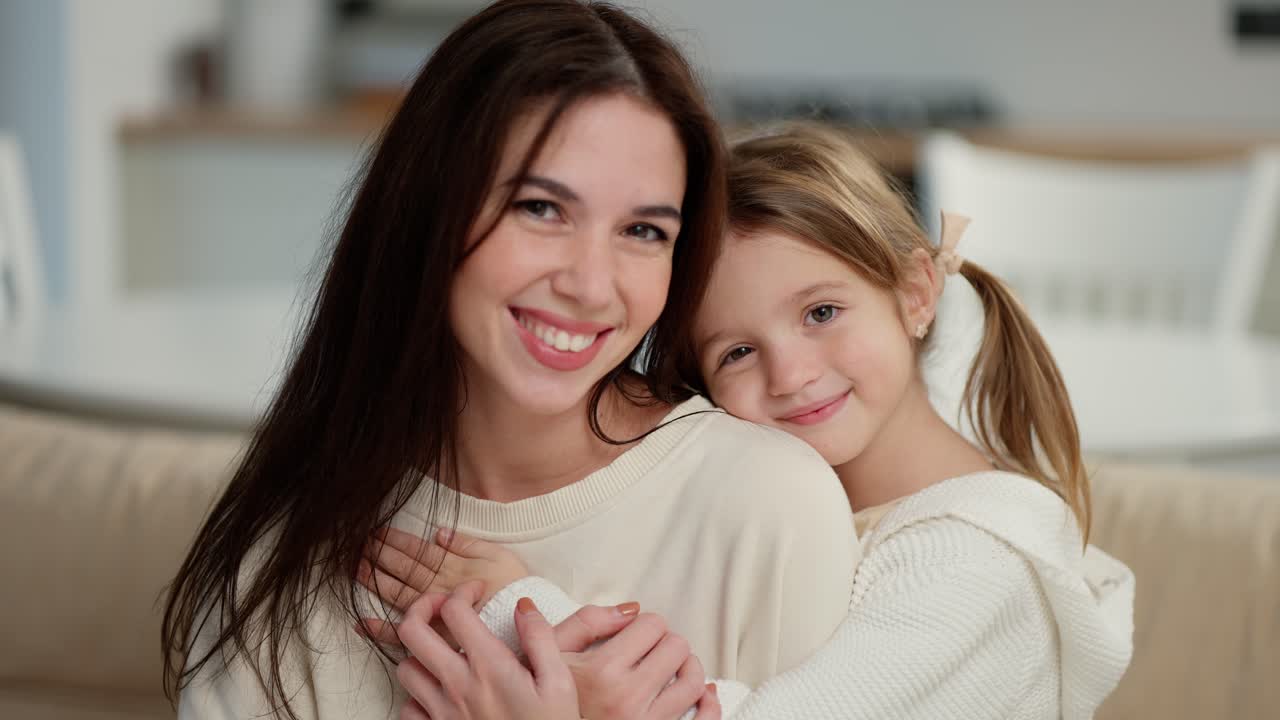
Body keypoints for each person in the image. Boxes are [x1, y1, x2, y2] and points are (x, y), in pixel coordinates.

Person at [162, 6, 860, 719]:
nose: (591, 285)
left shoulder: (770, 509)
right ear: (429, 207)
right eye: (541, 209)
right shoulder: (291, 537)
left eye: (644, 231)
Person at [374, 123, 1134, 720]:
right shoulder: (783, 512)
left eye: (822, 312)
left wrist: (521, 617)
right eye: (737, 351)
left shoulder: (978, 561)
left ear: (915, 292)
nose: (791, 373)